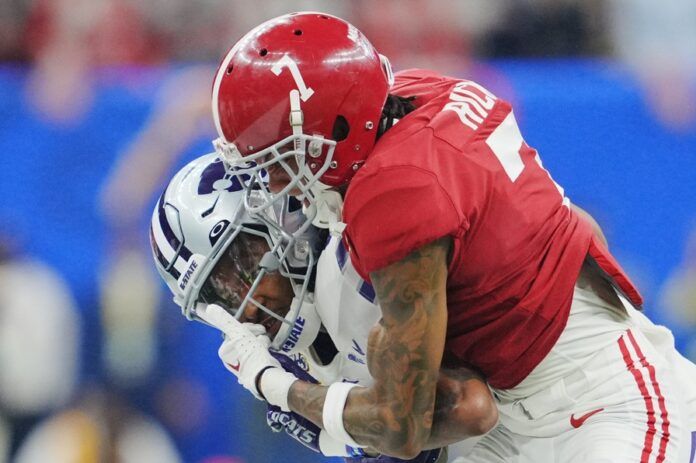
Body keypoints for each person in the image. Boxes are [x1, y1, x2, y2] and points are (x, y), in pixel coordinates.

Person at [206, 12, 696, 462]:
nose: (273, 184)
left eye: (279, 160)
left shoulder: (395, 192)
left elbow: (401, 429)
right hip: (507, 416)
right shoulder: (419, 93)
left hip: (598, 399)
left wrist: (271, 381)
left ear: (334, 131)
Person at [149, 153, 498, 462]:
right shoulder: (269, 353)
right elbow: (349, 444)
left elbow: (470, 409)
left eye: (244, 266)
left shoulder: (354, 265)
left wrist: (279, 387)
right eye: (220, 295)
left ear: (279, 217)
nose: (248, 307)